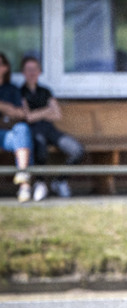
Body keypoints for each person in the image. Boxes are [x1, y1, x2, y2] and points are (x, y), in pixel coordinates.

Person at [20, 56, 85, 199]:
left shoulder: (45, 91)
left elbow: (57, 114)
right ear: (23, 72)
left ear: (39, 71)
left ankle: (60, 180)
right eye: (28, 70)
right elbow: (28, 117)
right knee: (40, 146)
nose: (32, 73)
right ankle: (40, 182)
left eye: (35, 69)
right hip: (35, 131)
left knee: (77, 150)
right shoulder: (21, 92)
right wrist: (46, 111)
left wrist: (38, 113)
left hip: (50, 130)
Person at [0, 53, 33, 202]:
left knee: (23, 130)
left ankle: (23, 181)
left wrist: (4, 107)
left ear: (5, 68)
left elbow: (21, 113)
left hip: (8, 134)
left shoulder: (11, 89)